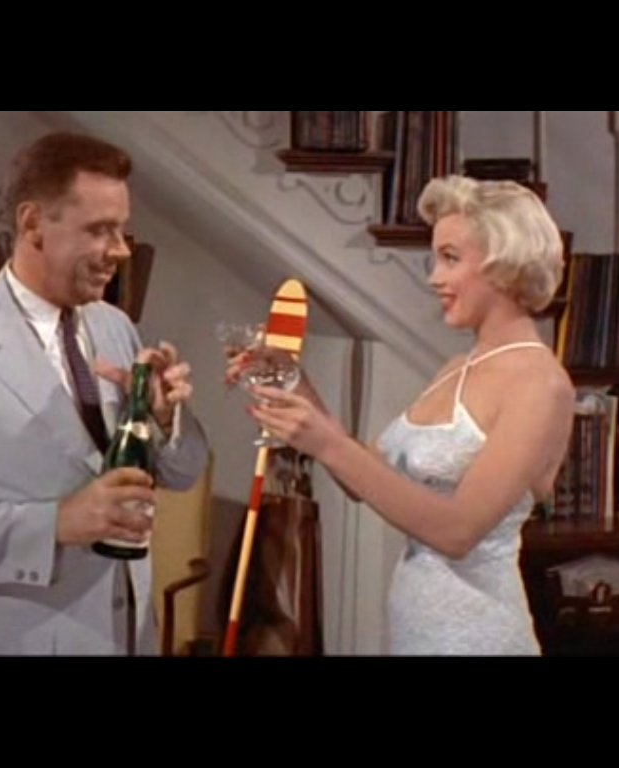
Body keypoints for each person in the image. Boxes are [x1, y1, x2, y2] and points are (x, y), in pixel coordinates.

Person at [0, 130, 210, 656]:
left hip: (128, 638)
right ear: (33, 223)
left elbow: (183, 473)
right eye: (100, 230)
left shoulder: (116, 327)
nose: (120, 250)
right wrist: (57, 523)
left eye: (122, 229)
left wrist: (166, 420)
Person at [236, 175, 575, 655]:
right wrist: (291, 379)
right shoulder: (456, 368)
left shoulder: (540, 383)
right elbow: (365, 477)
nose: (434, 277)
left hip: (477, 638)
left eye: (450, 258)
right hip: (417, 633)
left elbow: (457, 532)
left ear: (504, 264)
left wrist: (326, 443)